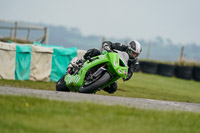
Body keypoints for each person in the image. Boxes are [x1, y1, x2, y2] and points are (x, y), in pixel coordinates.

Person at [67, 40, 142, 93]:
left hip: (114, 71)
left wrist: (126, 76)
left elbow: (130, 72)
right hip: (106, 59)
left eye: (136, 54)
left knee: (113, 88)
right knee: (95, 51)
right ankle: (79, 62)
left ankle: (95, 86)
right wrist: (107, 46)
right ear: (129, 49)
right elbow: (108, 43)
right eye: (133, 53)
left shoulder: (135, 62)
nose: (134, 55)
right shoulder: (122, 46)